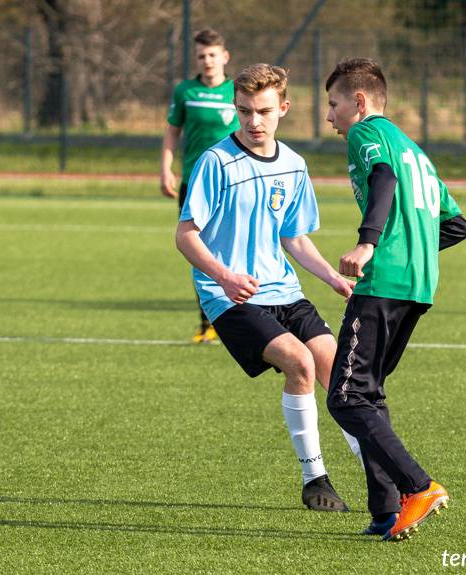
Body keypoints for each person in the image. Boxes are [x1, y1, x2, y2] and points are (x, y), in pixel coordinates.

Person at [176, 63, 362, 511]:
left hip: (284, 291)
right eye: (243, 112)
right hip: (229, 297)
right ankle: (315, 478)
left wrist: (333, 278)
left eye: (262, 111)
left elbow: (294, 237)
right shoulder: (216, 162)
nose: (253, 122)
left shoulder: (294, 165)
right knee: (298, 362)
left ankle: (379, 471)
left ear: (283, 107)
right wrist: (224, 275)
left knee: (337, 371)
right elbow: (185, 235)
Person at [323, 58, 466, 540]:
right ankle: (386, 510)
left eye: (334, 104)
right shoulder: (417, 152)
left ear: (359, 102)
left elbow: (382, 179)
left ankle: (418, 487)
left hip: (383, 283)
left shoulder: (368, 136)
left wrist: (370, 242)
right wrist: (412, 249)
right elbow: (455, 224)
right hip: (418, 286)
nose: (330, 116)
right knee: (368, 394)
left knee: (345, 397)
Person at [162, 28, 239, 344]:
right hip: (194, 182)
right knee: (198, 250)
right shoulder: (186, 91)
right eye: (201, 56)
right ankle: (207, 322)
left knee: (235, 248)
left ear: (224, 56)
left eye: (212, 54)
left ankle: (241, 317)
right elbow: (172, 132)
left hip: (233, 183)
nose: (207, 61)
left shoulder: (238, 91)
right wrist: (166, 169)